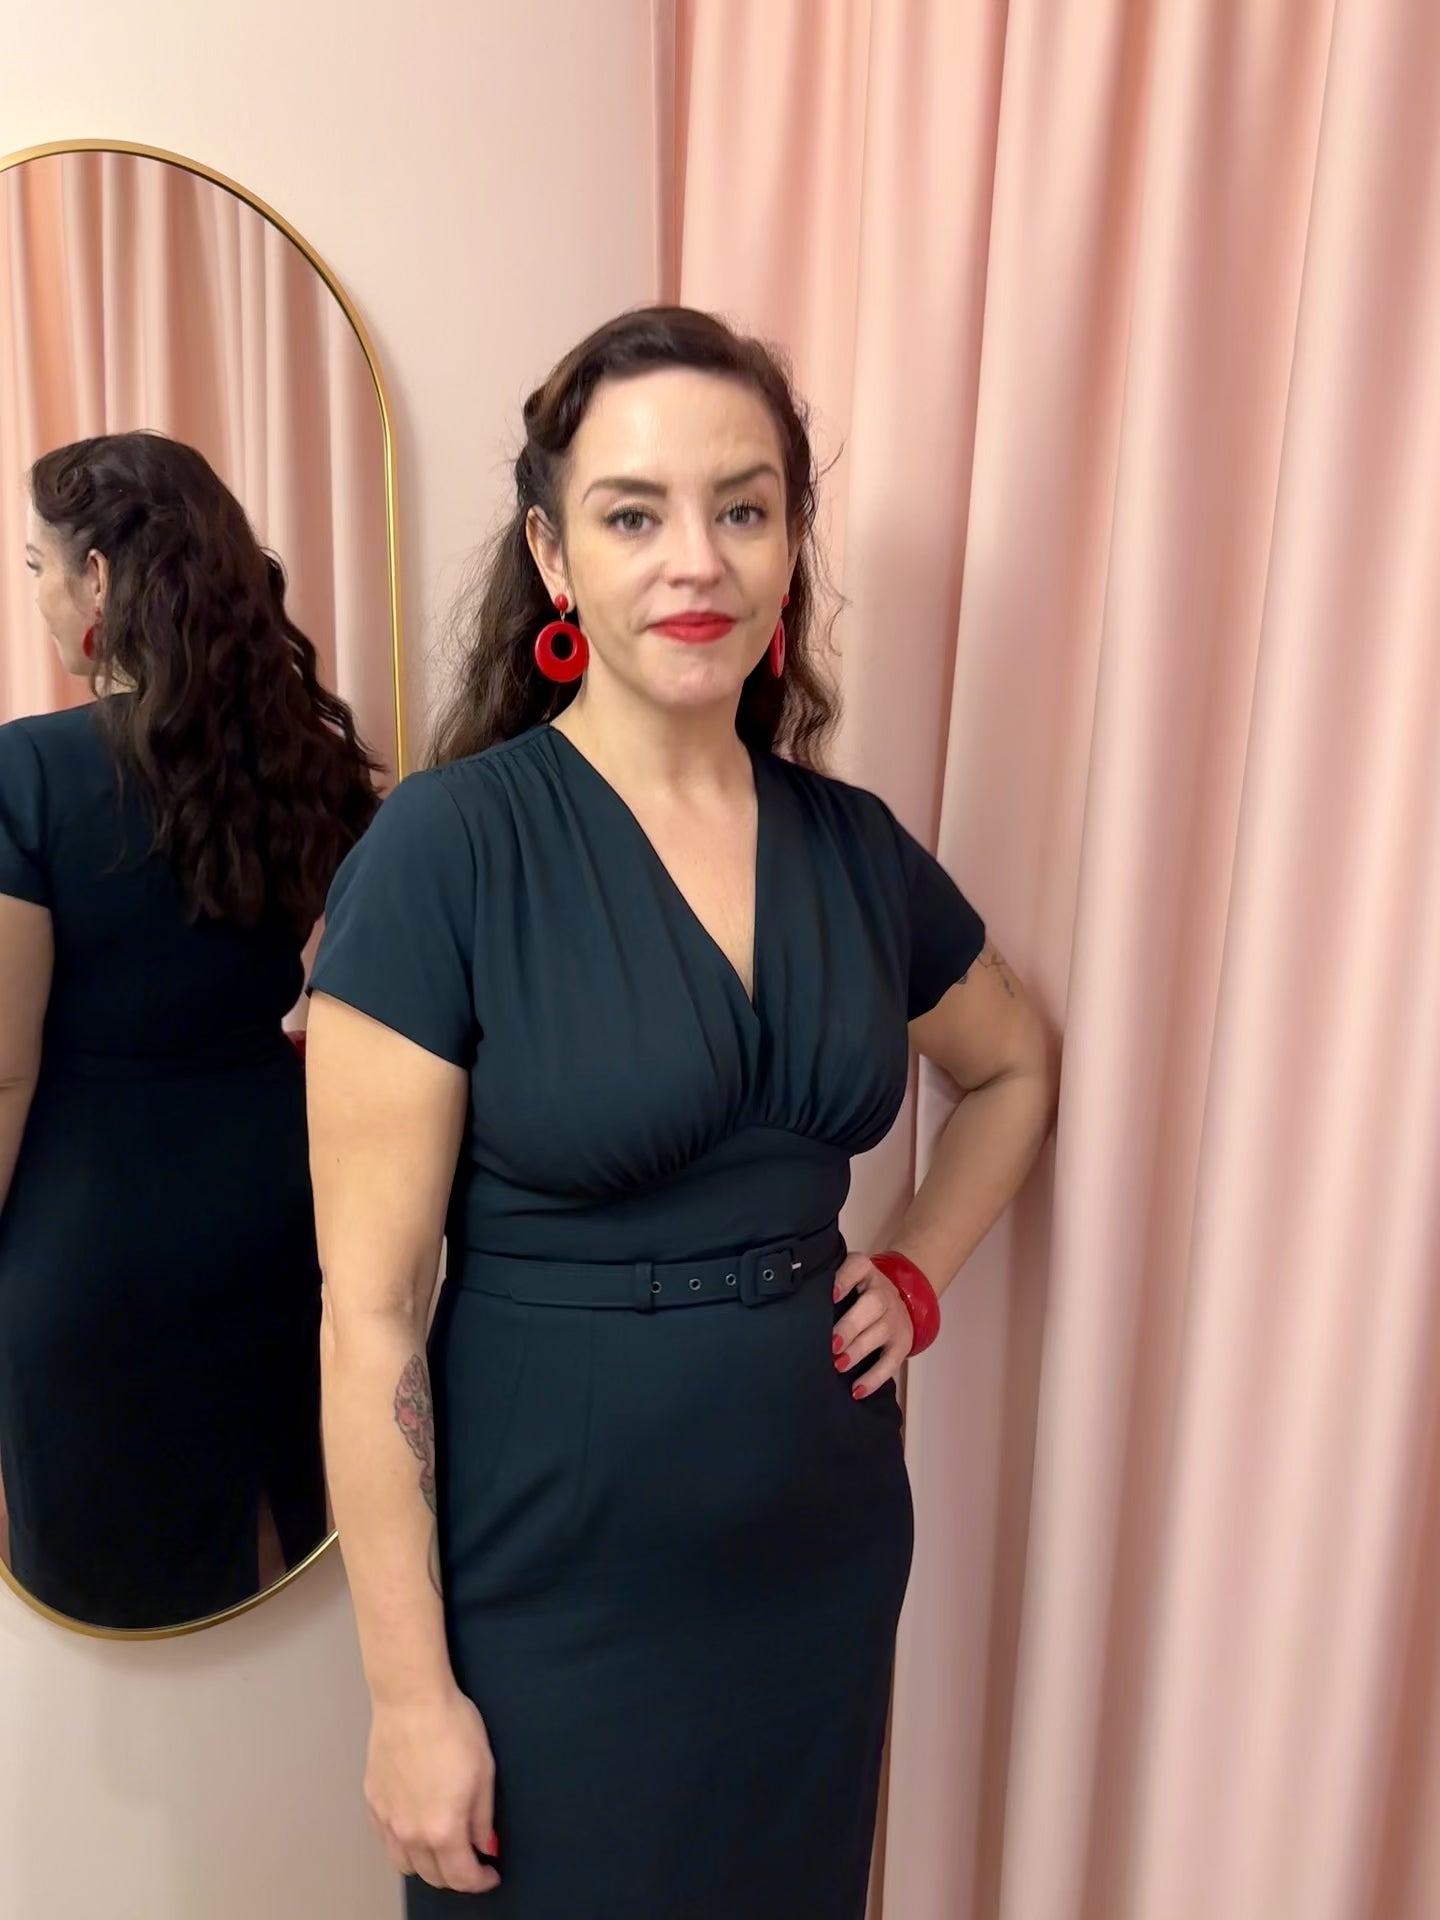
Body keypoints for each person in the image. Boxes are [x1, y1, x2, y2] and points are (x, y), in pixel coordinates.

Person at [307, 307, 1060, 1917]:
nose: (696, 561)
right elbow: (368, 1316)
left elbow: (1014, 1065)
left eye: (744, 507)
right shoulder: (447, 851)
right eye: (634, 514)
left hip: (816, 1556)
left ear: (790, 543)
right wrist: (407, 1698)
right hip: (551, 1582)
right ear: (554, 554)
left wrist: (915, 1269)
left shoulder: (855, 848)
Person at [0, 431, 379, 1630]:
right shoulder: (309, 765)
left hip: (91, 1238)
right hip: (282, 1212)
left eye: (38, 567)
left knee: (111, 1622)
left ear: (99, 579)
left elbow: (2, 1073)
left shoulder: (23, 776)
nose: (38, 596)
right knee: (282, 1582)